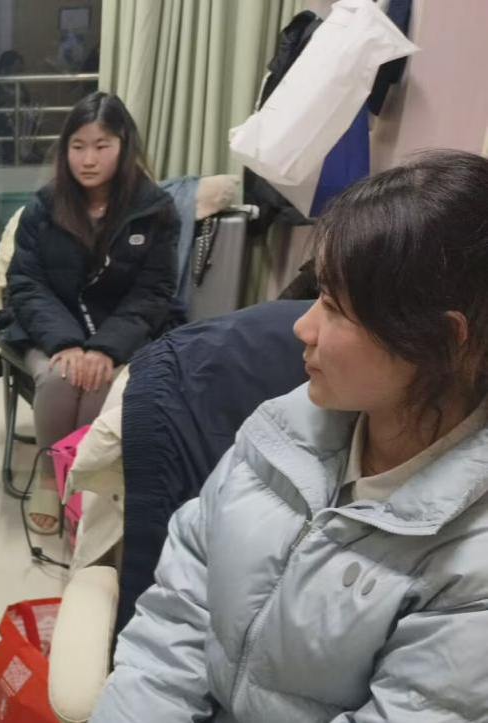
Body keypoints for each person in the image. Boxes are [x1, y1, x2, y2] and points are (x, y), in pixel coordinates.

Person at [92, 150, 488, 722]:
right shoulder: (283, 429)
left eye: (334, 308)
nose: (301, 326)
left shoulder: (471, 564)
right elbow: (176, 616)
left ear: (444, 341)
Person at [0, 91, 179, 534]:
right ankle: (49, 477)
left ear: (123, 145)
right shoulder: (43, 205)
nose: (88, 159)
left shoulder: (154, 209)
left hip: (125, 334)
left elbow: (153, 291)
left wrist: (104, 348)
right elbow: (26, 283)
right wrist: (66, 343)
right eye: (77, 146)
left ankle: (83, 483)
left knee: (101, 386)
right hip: (47, 331)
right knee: (60, 378)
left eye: (102, 145)